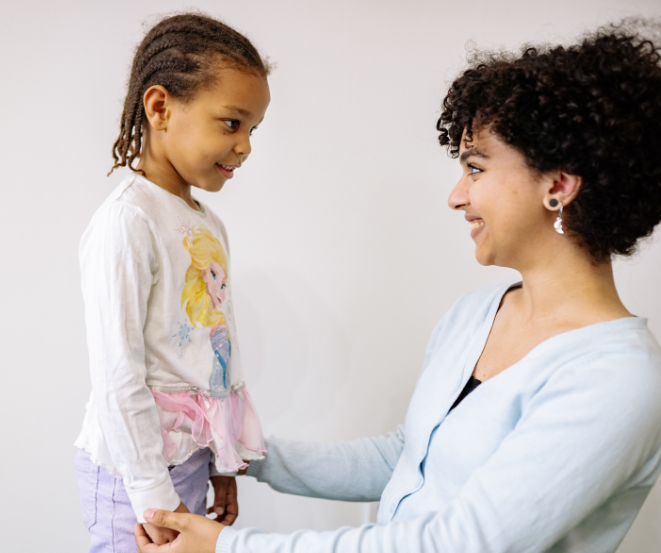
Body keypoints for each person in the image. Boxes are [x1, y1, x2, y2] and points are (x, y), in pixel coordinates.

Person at [134, 19, 661, 553]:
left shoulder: (617, 381)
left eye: (475, 168)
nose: (456, 196)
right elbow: (406, 458)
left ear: (558, 185)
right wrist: (234, 449)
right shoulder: (477, 314)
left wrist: (226, 548)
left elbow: (459, 544)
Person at [73, 13, 272, 552]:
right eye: (232, 123)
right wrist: (152, 497)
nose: (246, 145)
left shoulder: (208, 223)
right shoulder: (128, 221)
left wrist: (221, 461)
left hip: (187, 462)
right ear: (160, 107)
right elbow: (119, 374)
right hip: (133, 478)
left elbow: (207, 360)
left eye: (253, 129)